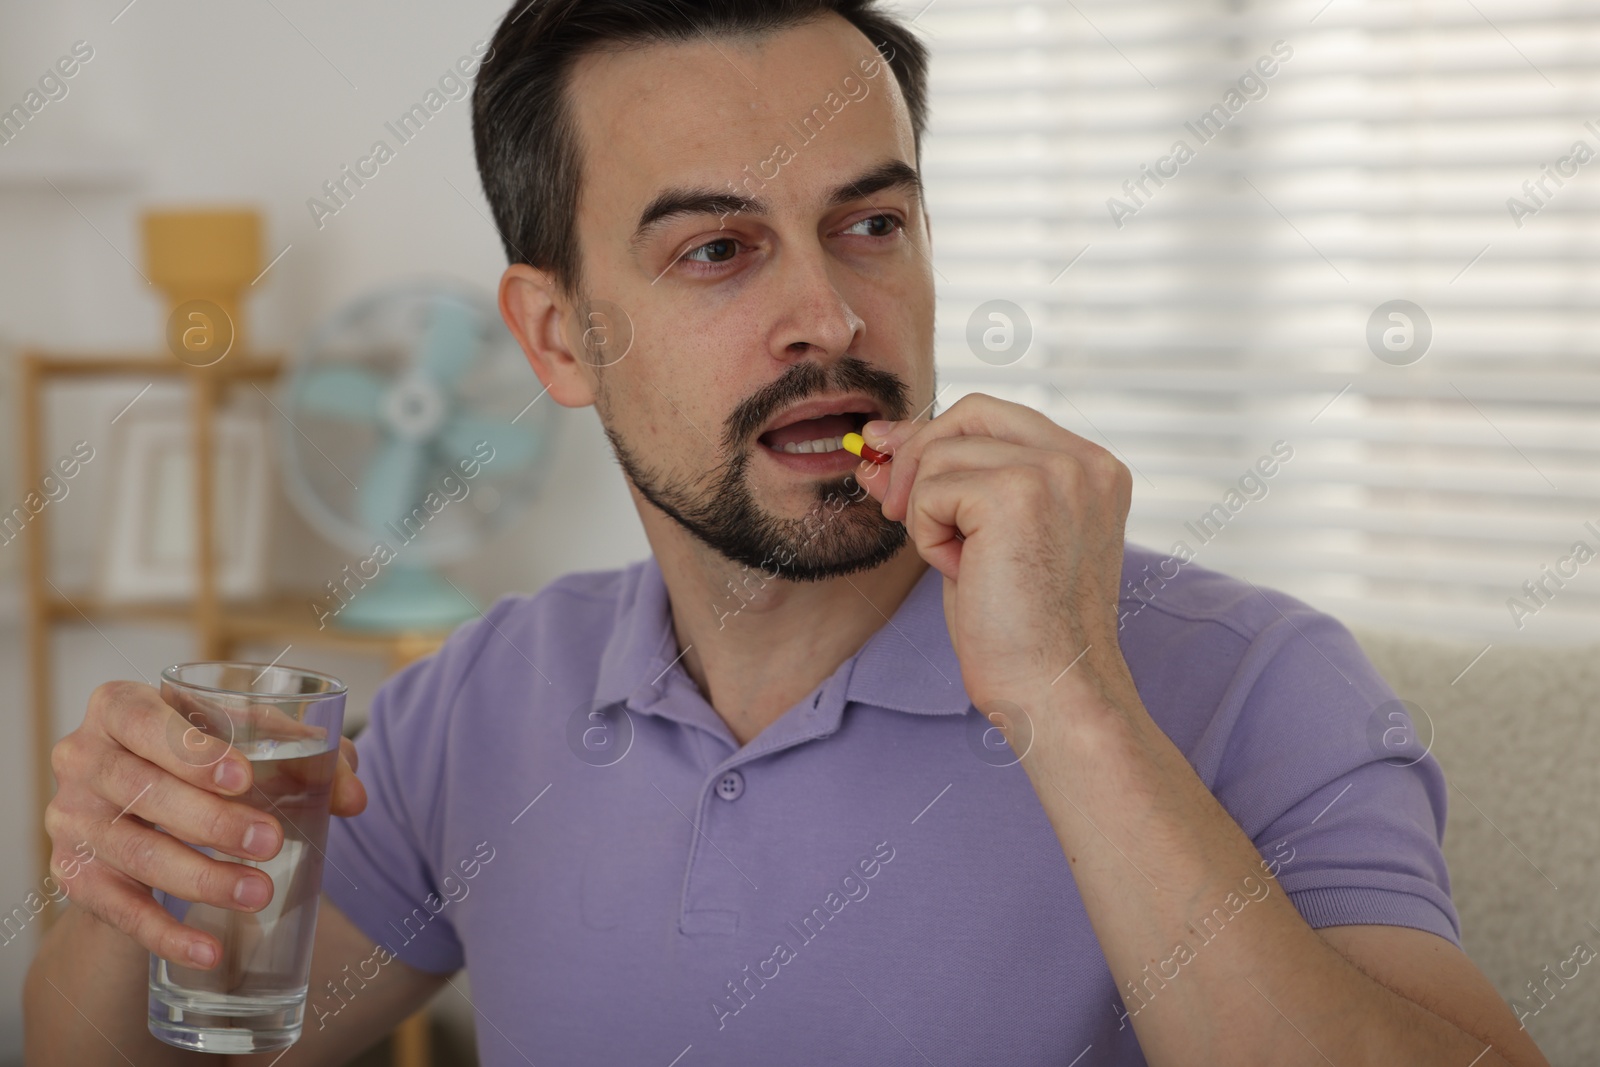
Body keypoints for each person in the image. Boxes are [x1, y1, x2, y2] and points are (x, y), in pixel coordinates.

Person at [25, 1, 1548, 1064]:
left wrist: (1070, 702)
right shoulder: (475, 708)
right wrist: (122, 875)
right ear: (558, 340)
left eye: (871, 224)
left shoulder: (1258, 683)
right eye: (717, 251)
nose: (828, 315)